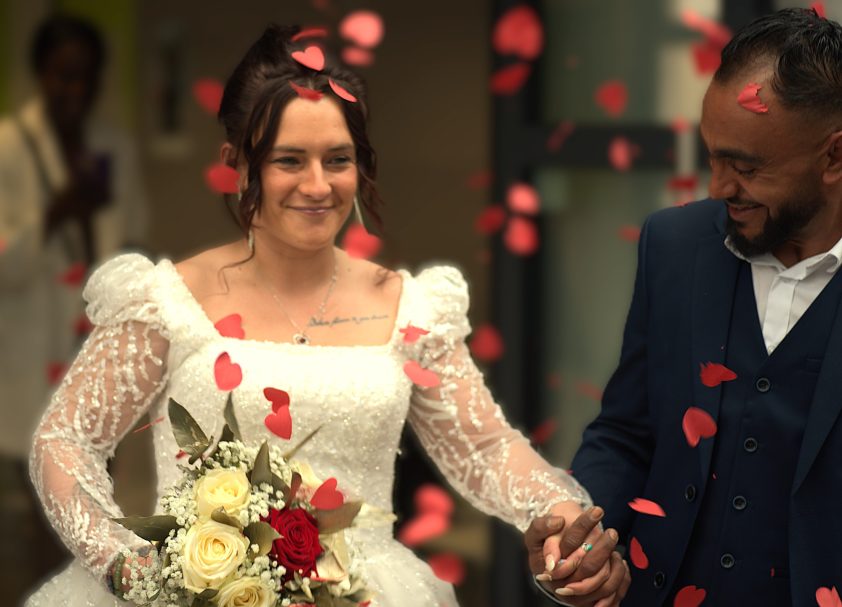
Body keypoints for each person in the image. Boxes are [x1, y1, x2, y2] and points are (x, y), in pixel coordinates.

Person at [24, 25, 629, 607]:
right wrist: (122, 561)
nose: (317, 186)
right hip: (194, 591)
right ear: (239, 164)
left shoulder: (410, 307)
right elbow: (65, 439)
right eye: (290, 160)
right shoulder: (164, 300)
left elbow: (486, 449)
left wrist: (561, 517)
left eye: (337, 160)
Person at [526, 7, 842, 606]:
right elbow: (627, 431)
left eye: (746, 167)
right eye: (713, 157)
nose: (718, 187)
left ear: (833, 157)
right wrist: (583, 536)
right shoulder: (674, 245)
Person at [0, 13, 147, 604]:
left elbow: (133, 243)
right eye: (63, 75)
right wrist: (54, 213)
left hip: (93, 359)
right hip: (23, 365)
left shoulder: (113, 147)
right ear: (40, 74)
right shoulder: (9, 146)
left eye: (85, 76)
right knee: (31, 531)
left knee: (93, 525)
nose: (74, 90)